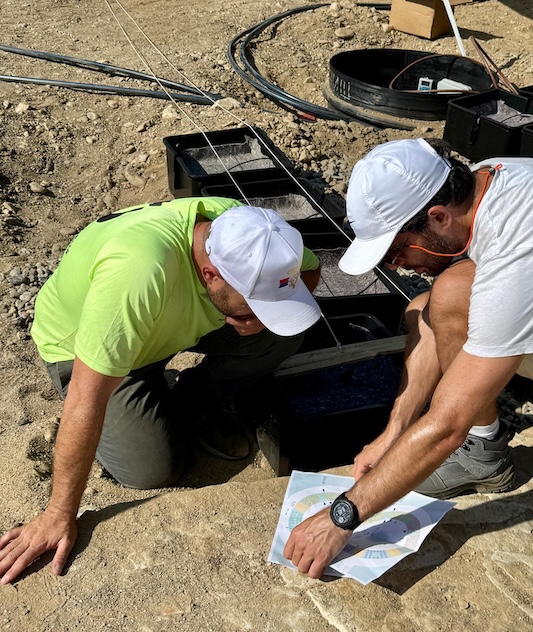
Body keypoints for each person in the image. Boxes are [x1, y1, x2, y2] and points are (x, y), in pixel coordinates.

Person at [283, 137, 533, 579]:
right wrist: (394, 432)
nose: (395, 265)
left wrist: (343, 515)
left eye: (396, 250)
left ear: (437, 216)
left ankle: (483, 454)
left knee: (454, 299)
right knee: (425, 307)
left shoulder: (520, 250)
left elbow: (448, 423)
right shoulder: (486, 178)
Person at [0, 196, 322, 584]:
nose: (258, 315)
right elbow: (87, 397)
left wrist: (260, 318)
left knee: (284, 333)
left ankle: (194, 397)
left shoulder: (256, 235)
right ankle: (141, 402)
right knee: (152, 469)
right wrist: (58, 513)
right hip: (88, 350)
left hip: (162, 327)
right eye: (251, 306)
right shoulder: (138, 271)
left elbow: (312, 270)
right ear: (211, 274)